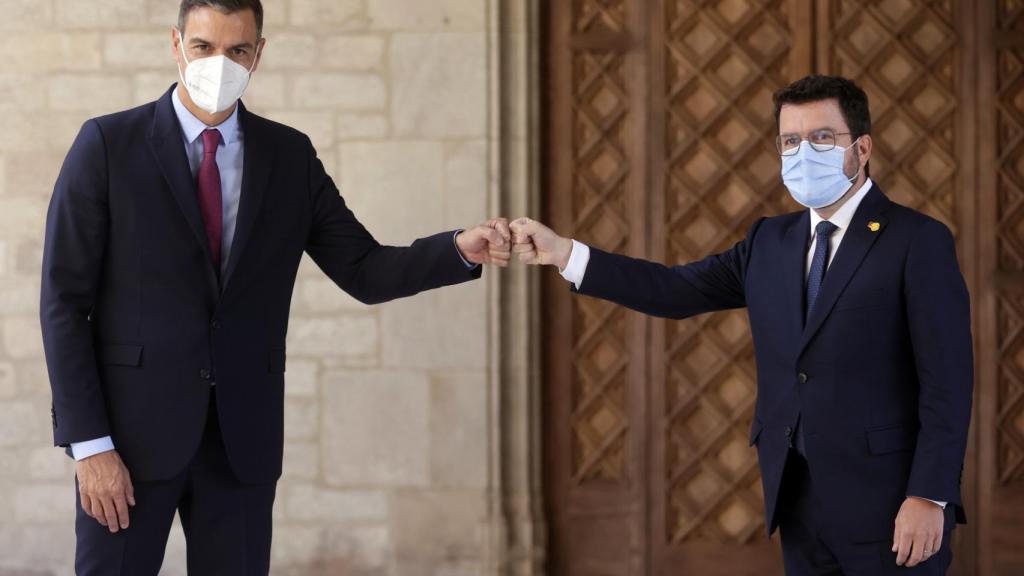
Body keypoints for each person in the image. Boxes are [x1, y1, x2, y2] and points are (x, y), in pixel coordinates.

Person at [39, 1, 511, 573]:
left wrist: (458, 249)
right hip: (127, 446)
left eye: (237, 49)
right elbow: (64, 303)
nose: (220, 63)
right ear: (175, 45)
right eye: (203, 47)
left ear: (258, 54)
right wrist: (90, 445)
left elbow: (363, 268)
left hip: (241, 447)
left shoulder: (289, 157)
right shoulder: (107, 146)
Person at [510, 75, 972, 575]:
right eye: (790, 141)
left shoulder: (916, 240)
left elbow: (948, 382)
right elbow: (674, 290)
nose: (802, 153)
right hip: (798, 499)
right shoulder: (769, 242)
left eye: (821, 138)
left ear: (862, 149)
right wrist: (564, 254)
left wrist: (930, 495)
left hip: (891, 505)